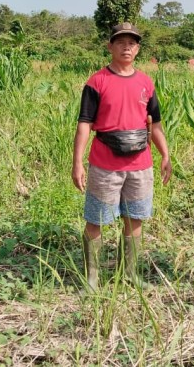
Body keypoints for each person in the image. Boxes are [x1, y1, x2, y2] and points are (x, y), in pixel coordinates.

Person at [72, 21, 172, 291]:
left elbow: (157, 124)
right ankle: (91, 279)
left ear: (137, 49)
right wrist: (77, 162)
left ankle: (129, 273)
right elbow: (84, 124)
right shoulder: (97, 82)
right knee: (96, 220)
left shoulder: (145, 83)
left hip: (140, 164)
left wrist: (165, 155)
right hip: (105, 165)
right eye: (120, 42)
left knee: (135, 218)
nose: (126, 47)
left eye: (132, 43)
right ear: (110, 46)